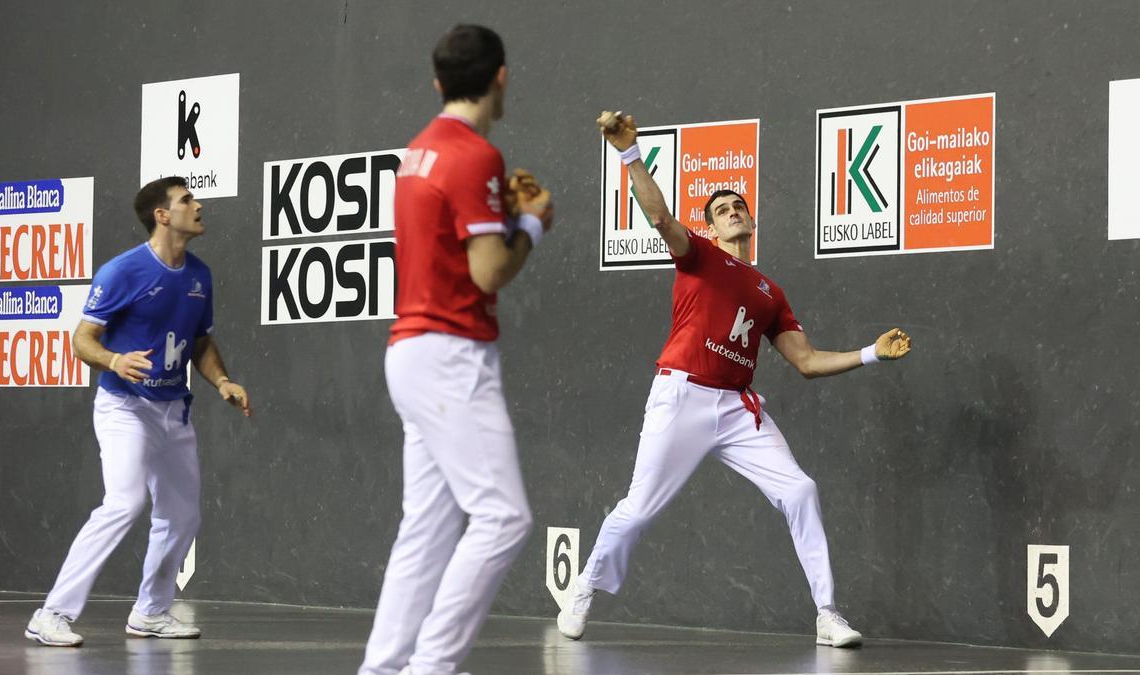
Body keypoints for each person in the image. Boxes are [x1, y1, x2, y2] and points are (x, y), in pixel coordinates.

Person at [556, 110, 912, 648]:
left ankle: (827, 614)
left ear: (751, 220)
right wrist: (629, 153)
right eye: (721, 210)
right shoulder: (697, 257)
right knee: (640, 507)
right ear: (712, 227)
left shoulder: (770, 292)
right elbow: (660, 217)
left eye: (738, 207)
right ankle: (584, 588)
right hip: (681, 395)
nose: (732, 212)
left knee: (800, 489)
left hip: (738, 409)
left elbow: (807, 361)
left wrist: (871, 354)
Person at [359, 24, 554, 675]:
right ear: (501, 77)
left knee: (429, 526)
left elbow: (456, 245)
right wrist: (532, 223)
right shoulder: (475, 156)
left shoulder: (419, 151)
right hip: (450, 354)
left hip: (411, 353)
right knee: (503, 518)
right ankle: (431, 666)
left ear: (438, 82)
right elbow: (488, 271)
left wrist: (508, 214)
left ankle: (384, 667)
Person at [25, 176, 251, 647]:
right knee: (124, 503)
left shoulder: (200, 276)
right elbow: (82, 339)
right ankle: (51, 614)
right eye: (187, 200)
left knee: (183, 516)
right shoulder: (123, 271)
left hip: (174, 410)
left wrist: (222, 381)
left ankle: (150, 612)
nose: (198, 205)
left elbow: (200, 341)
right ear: (162, 215)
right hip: (124, 408)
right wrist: (113, 360)